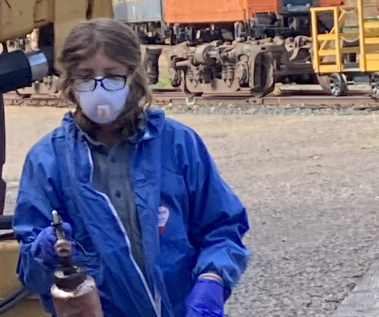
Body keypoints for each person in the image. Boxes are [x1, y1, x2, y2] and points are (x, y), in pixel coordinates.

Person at [13, 18, 250, 317]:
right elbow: (30, 273)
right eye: (85, 77)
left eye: (112, 75)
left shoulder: (177, 144)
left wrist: (212, 280)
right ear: (70, 82)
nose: (99, 89)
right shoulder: (49, 160)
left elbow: (221, 226)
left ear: (133, 75)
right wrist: (42, 254)